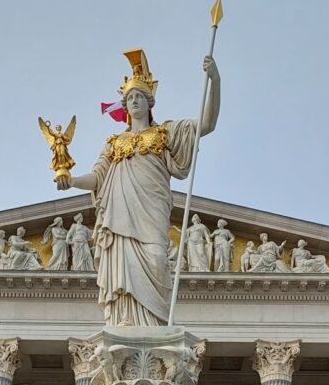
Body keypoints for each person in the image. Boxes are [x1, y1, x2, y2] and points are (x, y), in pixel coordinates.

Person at [57, 50, 221, 331]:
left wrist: (214, 81)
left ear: (149, 103)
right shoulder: (114, 143)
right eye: (130, 98)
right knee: (123, 272)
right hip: (120, 218)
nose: (134, 102)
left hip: (151, 212)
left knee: (158, 260)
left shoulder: (165, 133)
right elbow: (97, 178)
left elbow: (206, 124)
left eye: (139, 97)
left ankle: (156, 326)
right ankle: (127, 321)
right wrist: (71, 181)